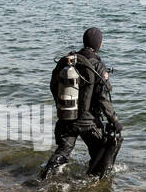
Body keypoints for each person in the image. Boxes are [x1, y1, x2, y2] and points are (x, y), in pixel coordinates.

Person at [40, 26, 122, 180]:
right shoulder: (97, 66)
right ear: (99, 45)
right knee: (99, 154)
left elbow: (53, 86)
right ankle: (91, 188)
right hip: (87, 122)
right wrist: (114, 120)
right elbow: (103, 99)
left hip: (66, 116)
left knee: (63, 152)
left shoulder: (69, 61)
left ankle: (42, 179)